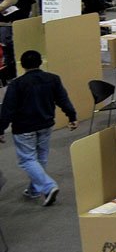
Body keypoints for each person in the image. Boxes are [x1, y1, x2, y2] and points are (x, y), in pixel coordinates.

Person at [0, 50, 78, 206]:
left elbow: (8, 109)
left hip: (24, 128)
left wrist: (1, 129)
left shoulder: (17, 84)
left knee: (27, 160)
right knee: (40, 158)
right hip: (46, 125)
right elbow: (63, 99)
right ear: (40, 63)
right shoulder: (53, 79)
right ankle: (35, 189)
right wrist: (72, 116)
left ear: (22, 65)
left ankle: (48, 187)